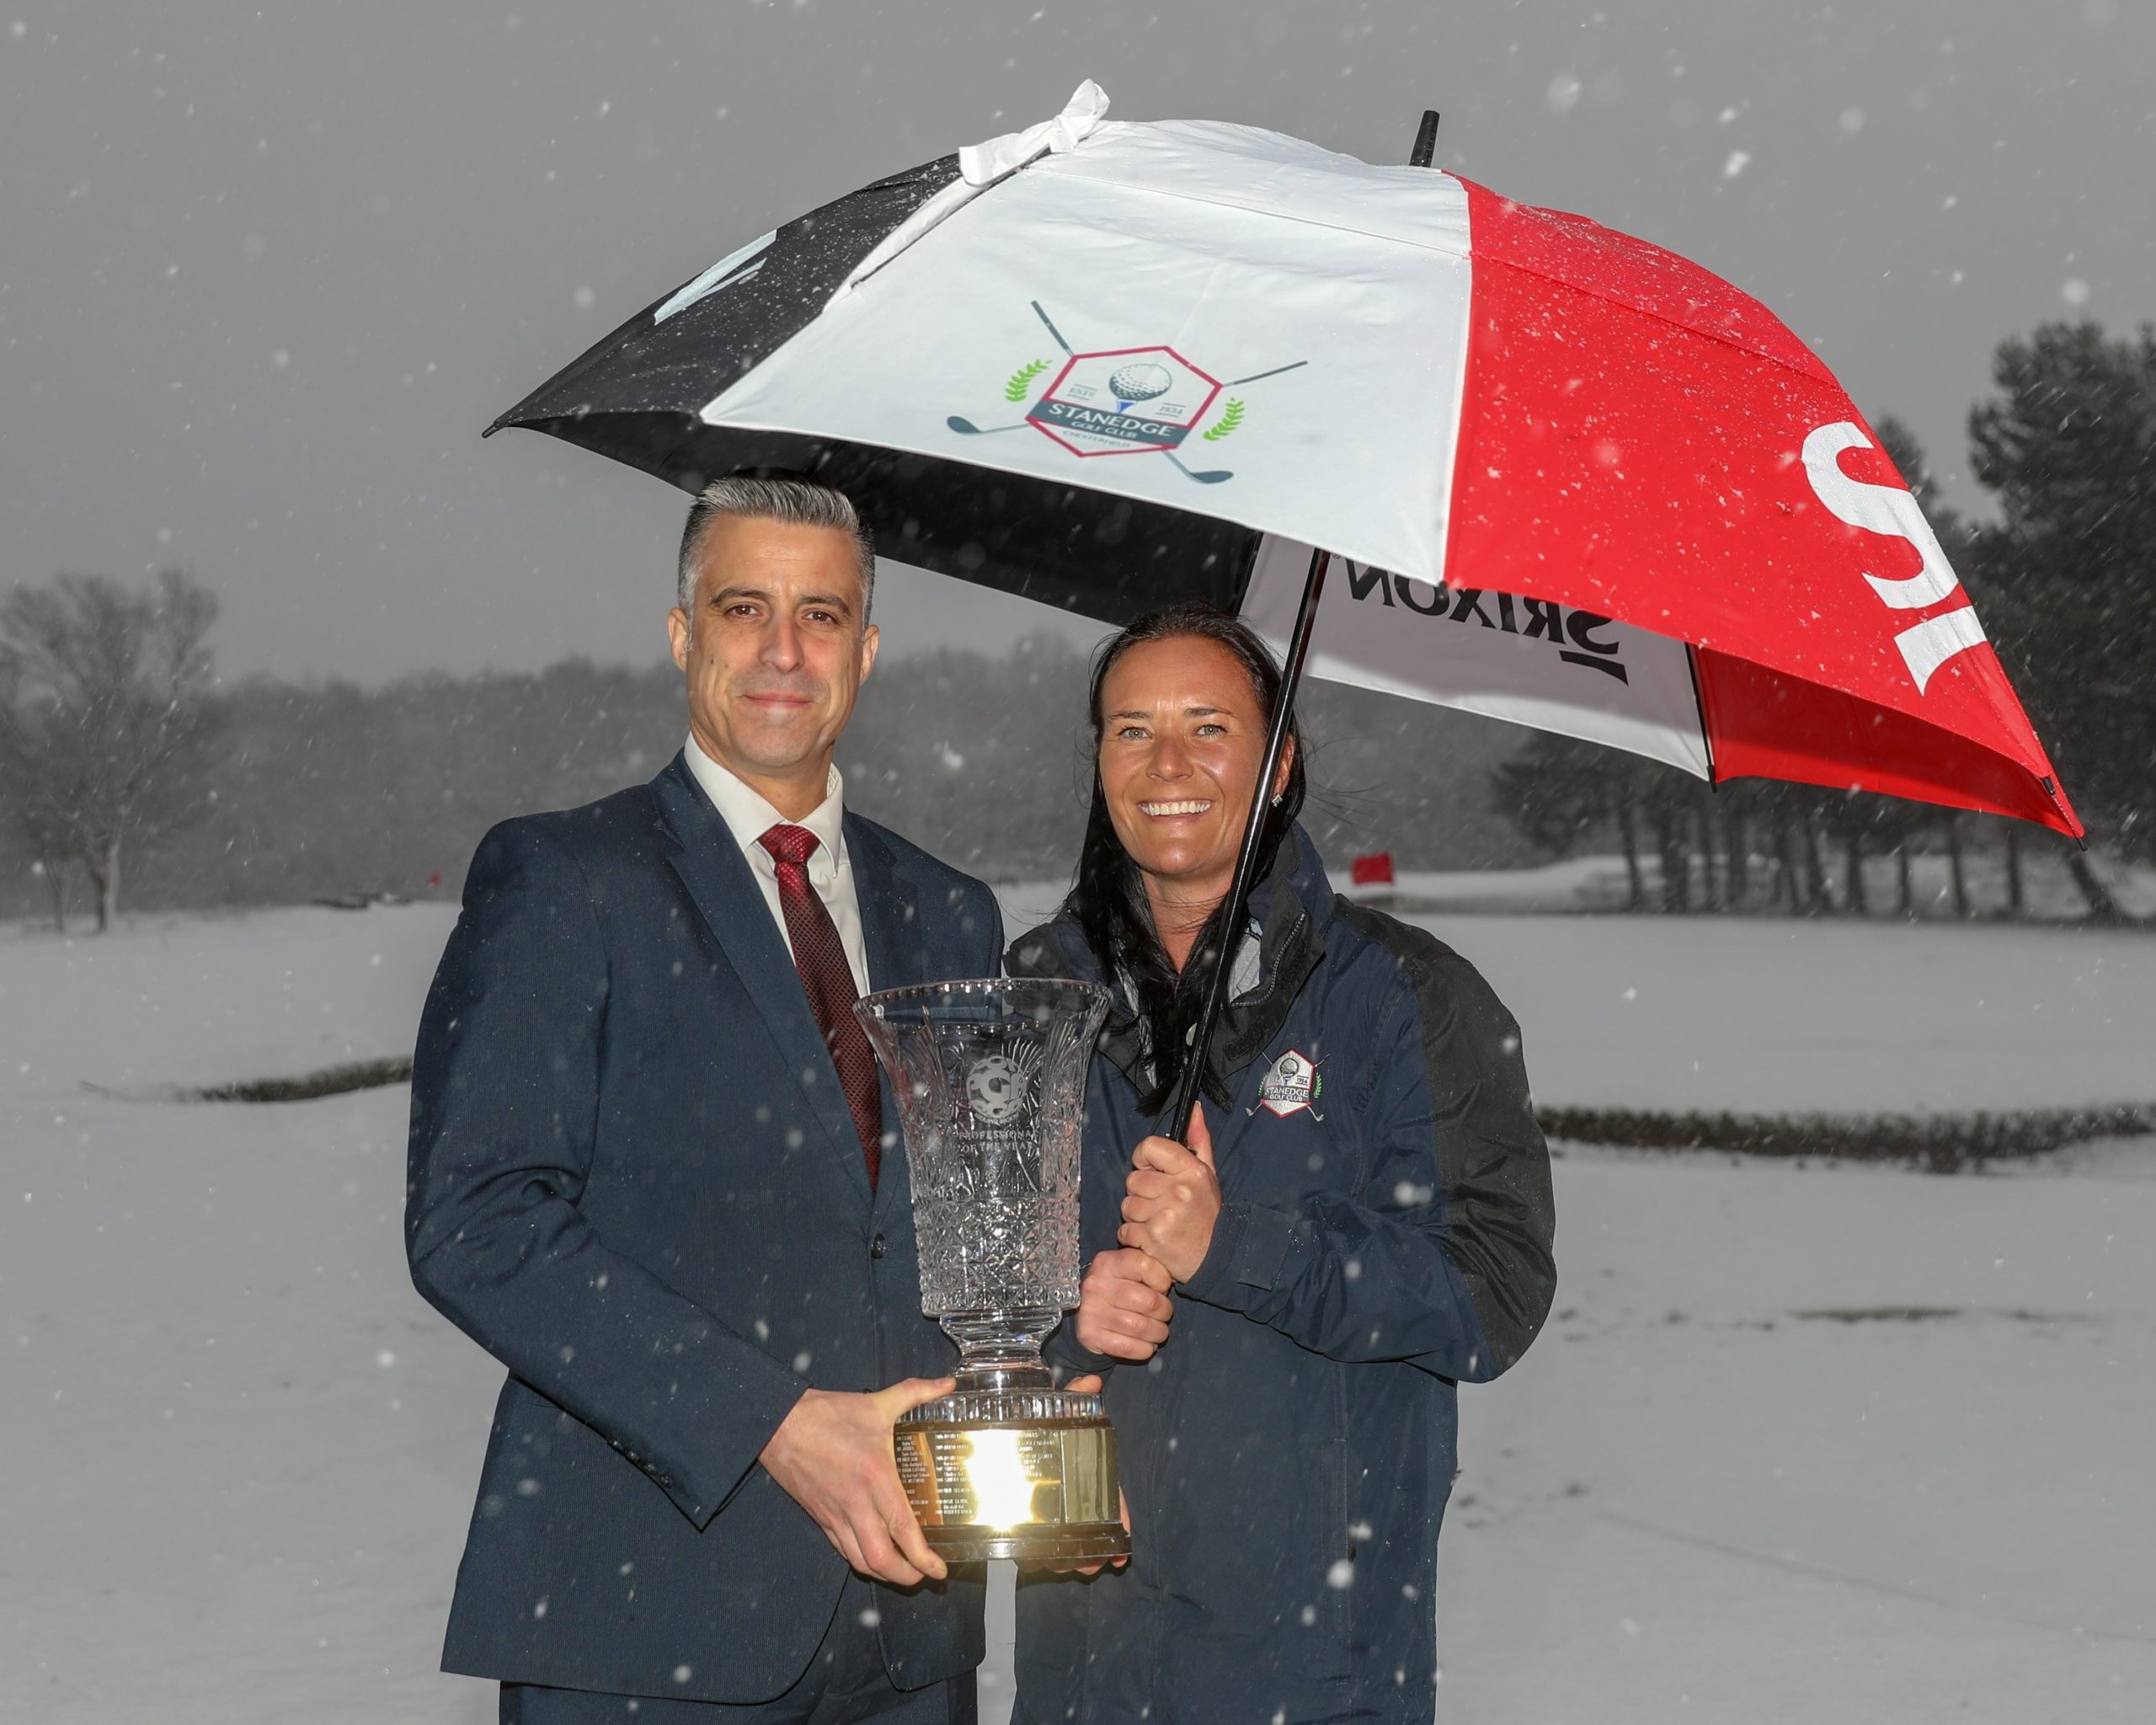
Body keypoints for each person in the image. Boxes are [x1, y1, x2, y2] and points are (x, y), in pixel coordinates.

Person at [406, 475, 1003, 1722]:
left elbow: (950, 1227)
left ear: (868, 650)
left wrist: (1028, 1359)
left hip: (908, 1634)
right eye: (745, 608)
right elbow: (479, 1222)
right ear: (683, 636)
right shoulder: (565, 879)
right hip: (646, 1625)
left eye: (823, 615)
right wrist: (772, 1421)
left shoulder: (953, 912)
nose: (784, 650)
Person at [1008, 604, 1557, 1725]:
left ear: (1282, 759)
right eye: (1132, 730)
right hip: (1082, 1669)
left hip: (1315, 1672)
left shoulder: (1410, 998)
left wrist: (1237, 1246)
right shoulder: (1031, 994)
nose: (1169, 765)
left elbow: (1492, 1294)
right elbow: (963, 1274)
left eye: (1210, 727)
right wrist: (1059, 1310)